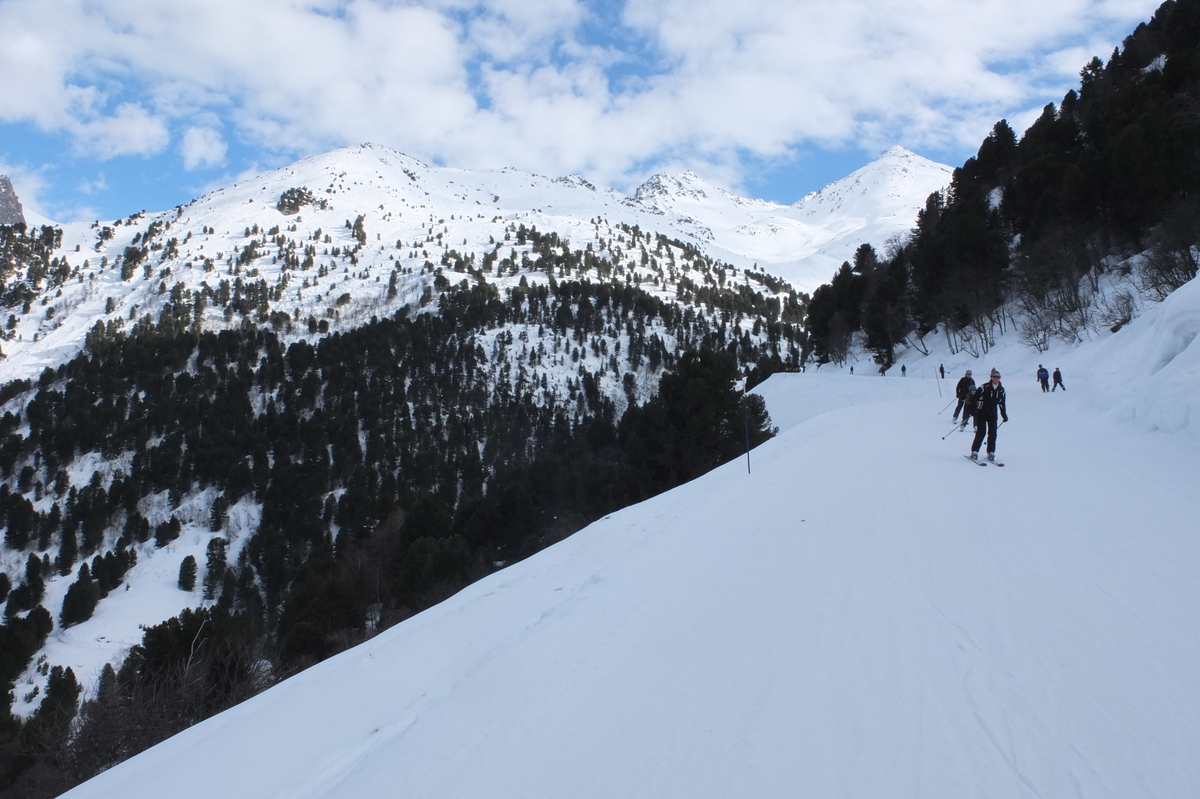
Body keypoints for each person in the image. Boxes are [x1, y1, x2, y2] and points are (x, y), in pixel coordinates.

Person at [968, 369, 1008, 462]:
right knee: (981, 432)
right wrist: (973, 410)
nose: (996, 379)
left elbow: (1002, 403)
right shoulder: (984, 387)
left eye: (998, 377)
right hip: (982, 412)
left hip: (993, 413)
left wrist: (1004, 415)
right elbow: (975, 398)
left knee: (993, 433)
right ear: (991, 377)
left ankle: (991, 452)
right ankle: (974, 451)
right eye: (994, 377)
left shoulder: (1001, 389)